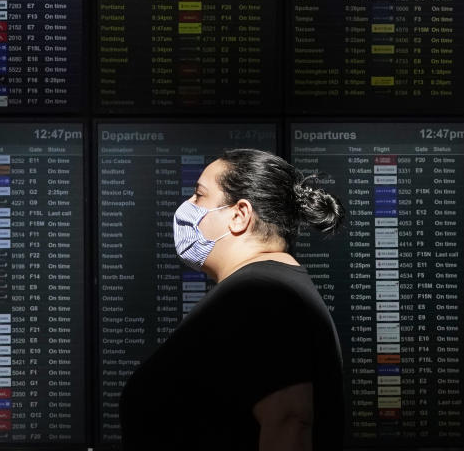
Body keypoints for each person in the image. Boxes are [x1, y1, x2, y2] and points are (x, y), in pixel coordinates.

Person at [119, 148, 347, 451]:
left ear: (240, 215)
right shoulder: (266, 290)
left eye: (199, 196)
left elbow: (290, 421)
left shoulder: (265, 296)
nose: (187, 208)